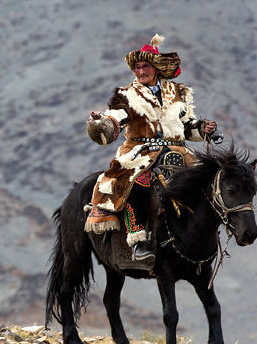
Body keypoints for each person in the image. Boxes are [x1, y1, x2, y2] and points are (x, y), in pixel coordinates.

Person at [84, 34, 216, 261]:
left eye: (145, 66)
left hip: (179, 154)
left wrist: (203, 129)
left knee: (209, 183)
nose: (140, 71)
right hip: (141, 154)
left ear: (156, 67)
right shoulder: (126, 96)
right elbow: (115, 120)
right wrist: (101, 123)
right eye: (136, 67)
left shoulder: (178, 93)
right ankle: (138, 239)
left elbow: (186, 128)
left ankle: (204, 237)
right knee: (137, 183)